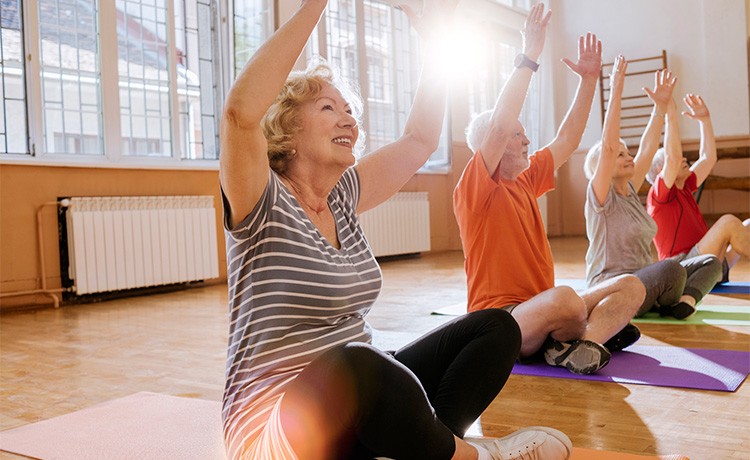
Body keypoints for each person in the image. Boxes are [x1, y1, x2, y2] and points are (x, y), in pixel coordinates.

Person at [219, 0, 572, 458]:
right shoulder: (261, 199)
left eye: (350, 110)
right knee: (359, 365)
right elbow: (239, 115)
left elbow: (421, 139)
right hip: (279, 428)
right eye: (328, 108)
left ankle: (431, 449)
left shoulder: (343, 195)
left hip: (359, 409)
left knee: (495, 329)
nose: (349, 118)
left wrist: (432, 45)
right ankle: (476, 457)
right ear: (286, 126)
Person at [454, 12, 645, 377]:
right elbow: (498, 124)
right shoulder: (475, 188)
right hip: (502, 322)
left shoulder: (526, 178)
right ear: (491, 145)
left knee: (630, 287)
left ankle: (580, 344)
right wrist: (529, 55)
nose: (526, 139)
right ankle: (579, 337)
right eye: (516, 134)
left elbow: (568, 140)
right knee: (567, 300)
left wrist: (589, 80)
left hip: (544, 308)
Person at [583, 58, 723, 321]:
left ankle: (682, 301)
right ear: (603, 166)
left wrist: (660, 108)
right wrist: (617, 88)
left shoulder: (631, 191)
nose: (627, 156)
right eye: (619, 154)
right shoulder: (601, 197)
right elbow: (609, 144)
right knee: (670, 269)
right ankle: (665, 298)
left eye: (627, 152)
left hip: (646, 280)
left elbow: (648, 147)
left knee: (711, 262)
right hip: (613, 287)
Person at [645, 93, 750, 282]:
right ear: (662, 170)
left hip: (706, 264)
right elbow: (674, 158)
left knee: (748, 225)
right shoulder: (658, 196)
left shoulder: (684, 187)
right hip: (681, 269)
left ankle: (716, 274)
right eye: (679, 158)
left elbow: (708, 158)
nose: (684, 159)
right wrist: (670, 113)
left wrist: (704, 120)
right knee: (727, 222)